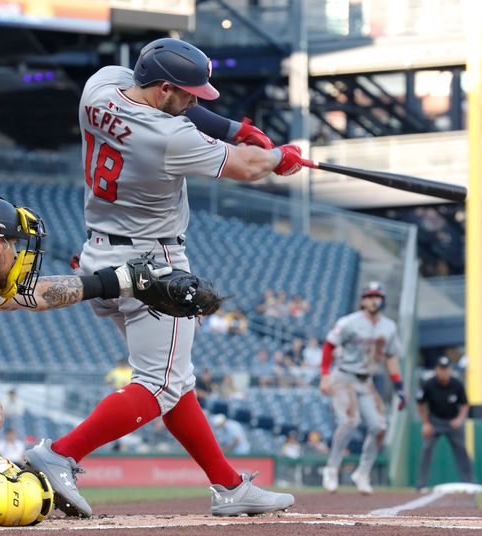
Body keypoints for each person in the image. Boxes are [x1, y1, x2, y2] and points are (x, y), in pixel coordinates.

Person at [22, 37, 300, 518]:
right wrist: (282, 157)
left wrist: (236, 127)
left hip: (98, 255)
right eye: (187, 92)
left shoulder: (100, 87)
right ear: (164, 88)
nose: (195, 100)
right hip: (155, 269)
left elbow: (181, 111)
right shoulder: (169, 137)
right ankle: (59, 455)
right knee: (160, 384)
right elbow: (251, 168)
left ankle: (229, 486)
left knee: (174, 380)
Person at [0, 194, 152, 526]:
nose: (19, 255)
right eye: (15, 245)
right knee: (27, 495)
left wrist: (115, 282)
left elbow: (39, 294)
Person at [319, 281, 406, 495]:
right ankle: (331, 468)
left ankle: (362, 472)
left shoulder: (389, 327)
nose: (373, 299)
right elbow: (329, 345)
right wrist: (324, 375)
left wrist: (400, 387)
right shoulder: (349, 322)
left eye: (376, 295)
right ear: (362, 300)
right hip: (344, 376)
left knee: (379, 426)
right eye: (369, 296)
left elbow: (391, 358)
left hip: (366, 380)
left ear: (382, 299)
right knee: (350, 421)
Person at [415, 356, 474, 491]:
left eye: (446, 369)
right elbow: (420, 404)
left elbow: (465, 404)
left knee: (461, 449)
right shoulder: (428, 384)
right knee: (426, 449)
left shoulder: (457, 384)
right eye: (441, 369)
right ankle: (421, 484)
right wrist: (425, 423)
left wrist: (459, 419)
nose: (443, 372)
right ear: (436, 369)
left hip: (452, 422)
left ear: (450, 370)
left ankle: (469, 482)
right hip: (434, 421)